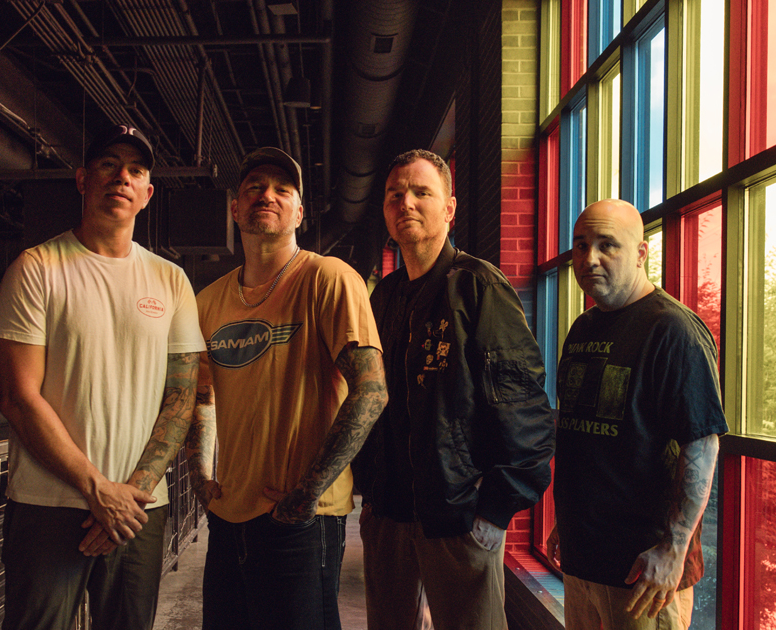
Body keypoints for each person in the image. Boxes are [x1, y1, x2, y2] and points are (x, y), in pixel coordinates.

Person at [0, 124, 205, 630]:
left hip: (139, 508)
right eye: (109, 165)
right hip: (48, 504)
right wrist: (96, 489)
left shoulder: (171, 280)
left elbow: (181, 396)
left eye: (135, 170)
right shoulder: (37, 268)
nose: (121, 178)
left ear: (148, 194)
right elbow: (19, 399)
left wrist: (128, 494)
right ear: (83, 179)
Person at [353, 149, 556, 630]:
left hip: (460, 514)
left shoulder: (478, 287)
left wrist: (497, 508)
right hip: (389, 512)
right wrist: (369, 494)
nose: (406, 203)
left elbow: (524, 404)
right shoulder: (383, 296)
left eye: (422, 192)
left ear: (449, 207)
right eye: (395, 194)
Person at [186, 146, 388, 630]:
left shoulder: (328, 279)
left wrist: (307, 493)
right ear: (235, 207)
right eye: (254, 187)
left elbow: (371, 391)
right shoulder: (209, 300)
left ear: (299, 211)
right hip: (227, 515)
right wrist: (199, 477)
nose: (266, 196)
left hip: (301, 519)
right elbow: (201, 397)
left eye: (283, 189)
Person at [547, 198, 727, 630]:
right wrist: (565, 523)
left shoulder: (673, 330)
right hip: (583, 556)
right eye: (580, 244)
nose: (590, 258)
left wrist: (674, 547)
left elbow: (701, 441)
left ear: (642, 253)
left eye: (608, 245)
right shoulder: (583, 327)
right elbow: (583, 437)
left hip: (644, 571)